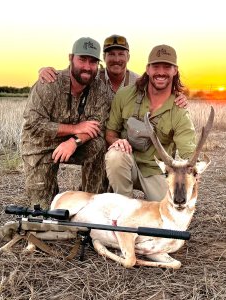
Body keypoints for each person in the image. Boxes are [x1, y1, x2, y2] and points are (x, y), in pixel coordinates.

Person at [21, 37, 110, 209]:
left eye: (93, 61)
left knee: (99, 144)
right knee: (43, 212)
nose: (87, 66)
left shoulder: (100, 89)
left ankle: (92, 203)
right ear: (71, 58)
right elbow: (34, 124)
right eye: (82, 59)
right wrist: (75, 128)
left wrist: (74, 141)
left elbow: (96, 125)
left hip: (75, 144)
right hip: (40, 146)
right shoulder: (48, 83)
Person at [105, 44, 196, 201]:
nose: (161, 72)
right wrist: (117, 141)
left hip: (157, 171)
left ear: (175, 70)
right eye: (156, 66)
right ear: (148, 69)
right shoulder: (125, 95)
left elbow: (189, 152)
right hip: (128, 164)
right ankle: (124, 207)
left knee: (168, 212)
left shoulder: (179, 111)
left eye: (167, 67)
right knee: (115, 156)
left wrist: (192, 171)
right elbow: (110, 133)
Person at [38, 34, 187, 108]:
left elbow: (161, 88)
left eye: (121, 54)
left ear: (128, 56)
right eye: (111, 54)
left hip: (124, 139)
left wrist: (179, 97)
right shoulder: (92, 76)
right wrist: (43, 70)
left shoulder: (138, 81)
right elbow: (72, 74)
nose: (116, 59)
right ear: (103, 57)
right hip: (95, 135)